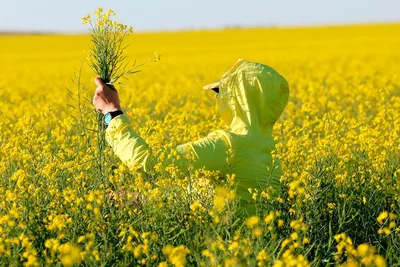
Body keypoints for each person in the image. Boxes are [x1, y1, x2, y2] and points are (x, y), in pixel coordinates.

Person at [92, 59, 289, 216]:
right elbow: (213, 199)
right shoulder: (269, 154)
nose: (219, 98)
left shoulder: (228, 145)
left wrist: (112, 113)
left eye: (222, 92)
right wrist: (140, 200)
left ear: (241, 99)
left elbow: (147, 162)